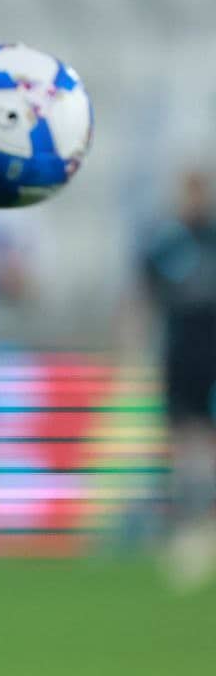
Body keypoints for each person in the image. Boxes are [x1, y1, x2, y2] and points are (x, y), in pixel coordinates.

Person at [137, 170, 216, 591]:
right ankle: (187, 523)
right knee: (183, 439)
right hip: (180, 354)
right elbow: (143, 293)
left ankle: (206, 526)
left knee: (207, 441)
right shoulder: (166, 242)